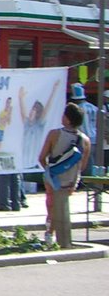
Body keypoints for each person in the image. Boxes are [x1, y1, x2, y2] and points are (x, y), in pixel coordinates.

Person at [38, 102, 91, 248]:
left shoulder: (54, 134)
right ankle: (62, 238)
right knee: (63, 207)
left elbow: (42, 157)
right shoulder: (85, 140)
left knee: (51, 206)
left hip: (53, 178)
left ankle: (50, 234)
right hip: (71, 179)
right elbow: (83, 165)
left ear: (67, 119)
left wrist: (50, 171)